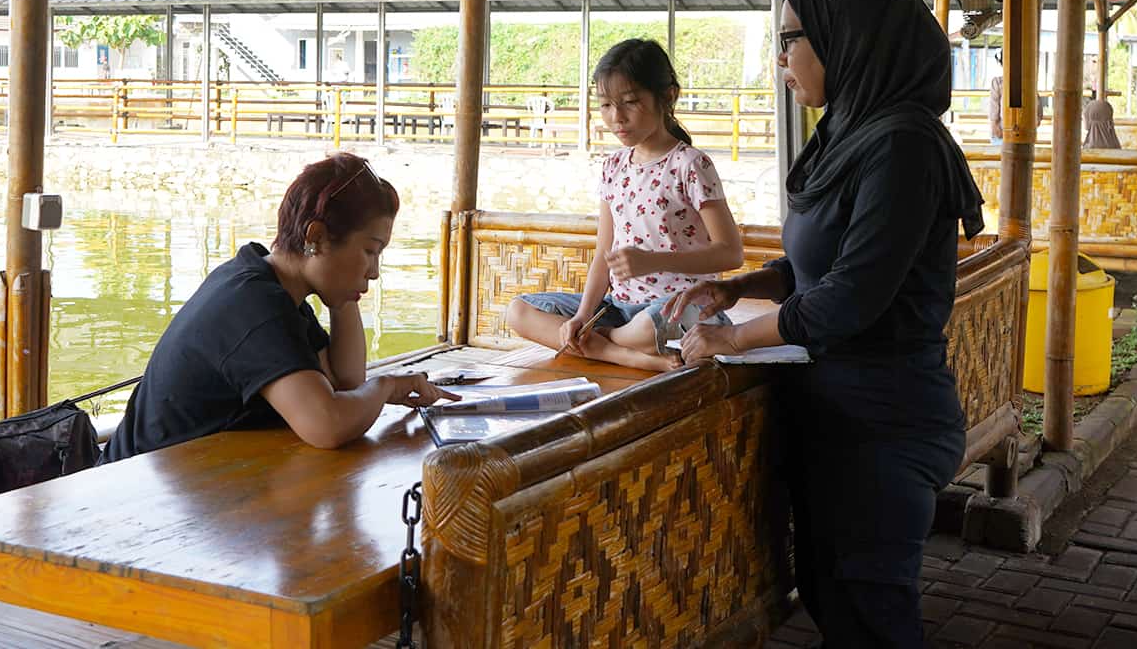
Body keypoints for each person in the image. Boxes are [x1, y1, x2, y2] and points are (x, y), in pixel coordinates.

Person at [664, 0, 985, 648]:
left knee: (871, 613)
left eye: (791, 38)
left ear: (847, 38)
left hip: (884, 421)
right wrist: (736, 288)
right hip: (840, 418)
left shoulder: (901, 144)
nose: (779, 56)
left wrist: (732, 340)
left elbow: (850, 296)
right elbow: (819, 265)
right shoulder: (854, 130)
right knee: (833, 595)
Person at [103, 152, 455, 460]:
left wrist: (345, 293)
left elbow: (345, 382)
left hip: (202, 481)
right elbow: (327, 424)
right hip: (132, 491)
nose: (375, 272)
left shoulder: (275, 285)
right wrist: (388, 387)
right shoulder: (253, 304)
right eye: (369, 251)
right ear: (315, 237)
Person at [501, 38, 743, 371]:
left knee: (649, 326)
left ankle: (606, 342)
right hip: (618, 305)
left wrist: (652, 261)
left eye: (630, 102)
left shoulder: (690, 164)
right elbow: (604, 252)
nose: (617, 118)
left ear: (667, 96)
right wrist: (583, 315)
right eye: (605, 105)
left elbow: (731, 253)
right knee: (519, 312)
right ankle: (623, 353)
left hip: (677, 306)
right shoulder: (614, 166)